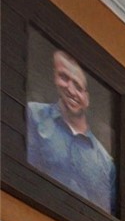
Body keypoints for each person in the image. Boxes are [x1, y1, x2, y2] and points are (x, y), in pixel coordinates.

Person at [24, 45, 116, 211]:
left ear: (87, 99)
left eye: (78, 87)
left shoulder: (106, 163)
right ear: (55, 78)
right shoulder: (33, 115)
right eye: (64, 78)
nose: (71, 90)